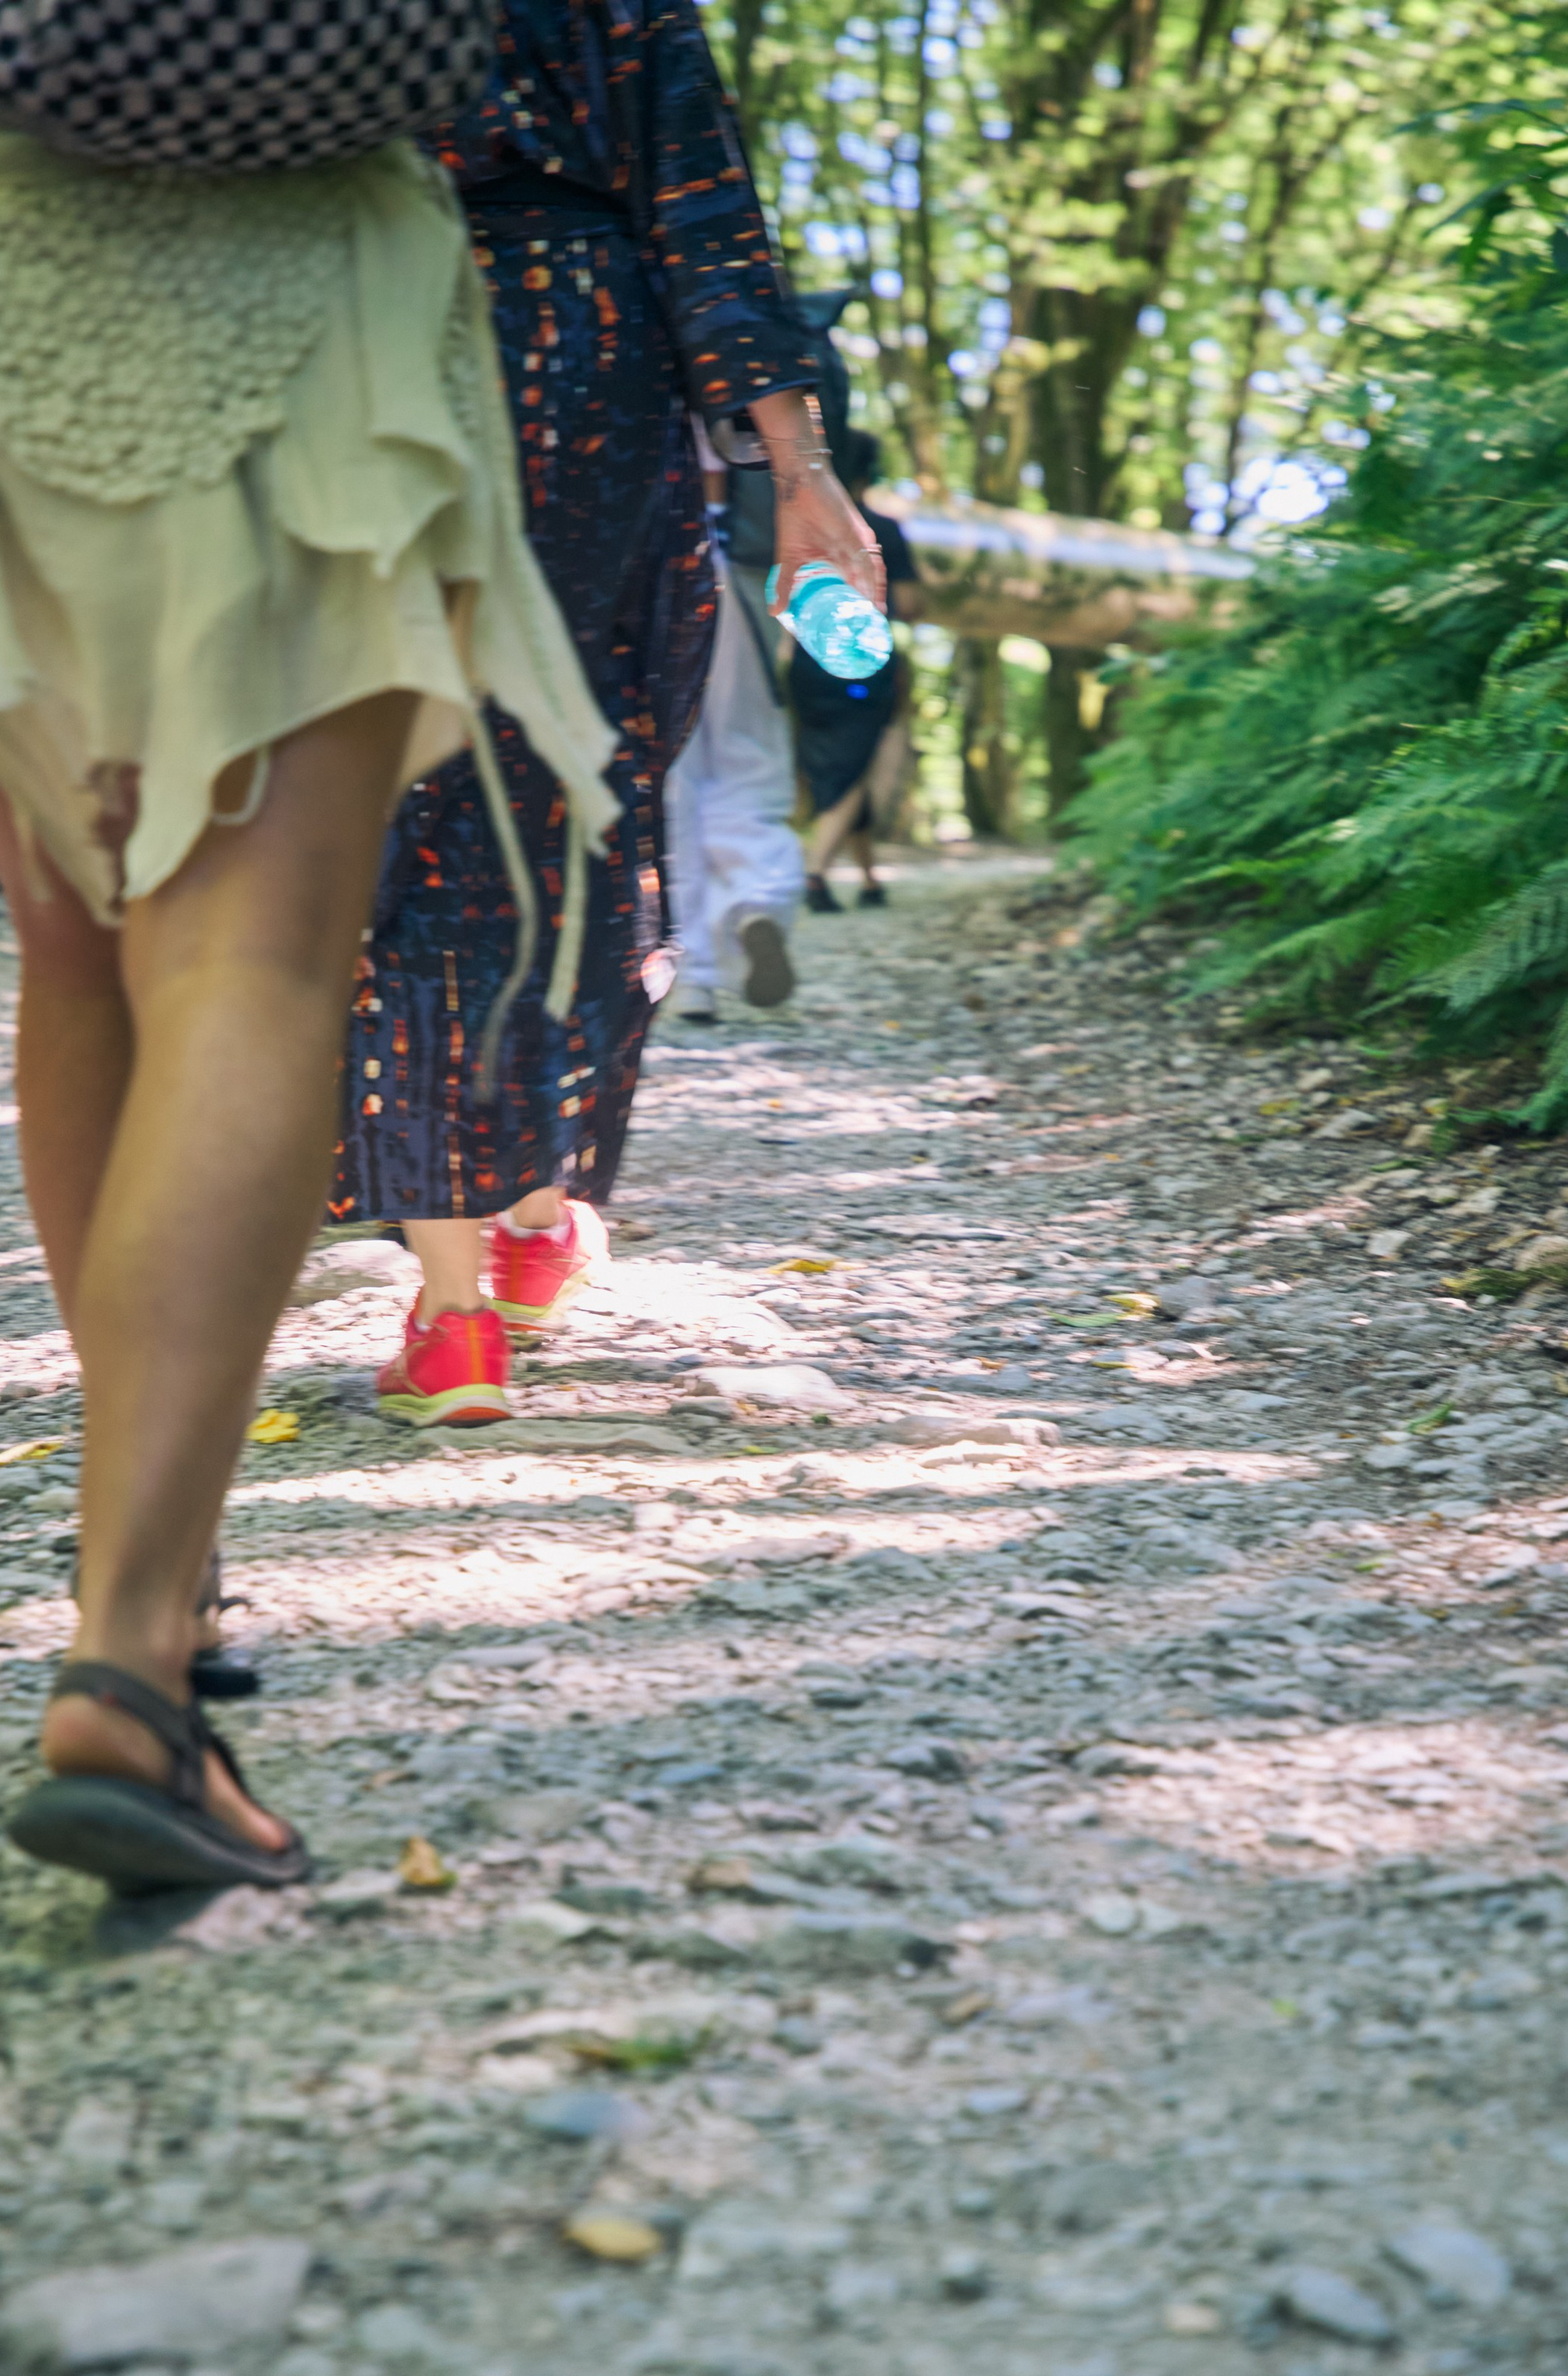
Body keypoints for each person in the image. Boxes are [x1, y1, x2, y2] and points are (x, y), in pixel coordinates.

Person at [0, 23, 615, 1893]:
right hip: (299, 266)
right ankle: (128, 1654)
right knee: (245, 963)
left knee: (82, 956)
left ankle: (152, 1606)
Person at [329, 0, 877, 1426]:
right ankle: (532, 1209)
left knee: (404, 802)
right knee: (583, 795)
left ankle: (456, 1318)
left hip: (364, 356)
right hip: (595, 367)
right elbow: (707, 222)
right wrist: (801, 471)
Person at [662, 435, 804, 1027]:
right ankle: (758, 898)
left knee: (672, 778)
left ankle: (689, 974)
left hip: (659, 568)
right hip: (745, 558)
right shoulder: (735, 342)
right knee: (750, 755)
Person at [795, 429, 921, 912]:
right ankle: (814, 873)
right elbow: (909, 603)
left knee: (839, 765)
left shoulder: (802, 528)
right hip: (862, 663)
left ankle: (870, 880)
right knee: (854, 769)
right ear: (870, 471)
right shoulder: (883, 530)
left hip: (807, 665)